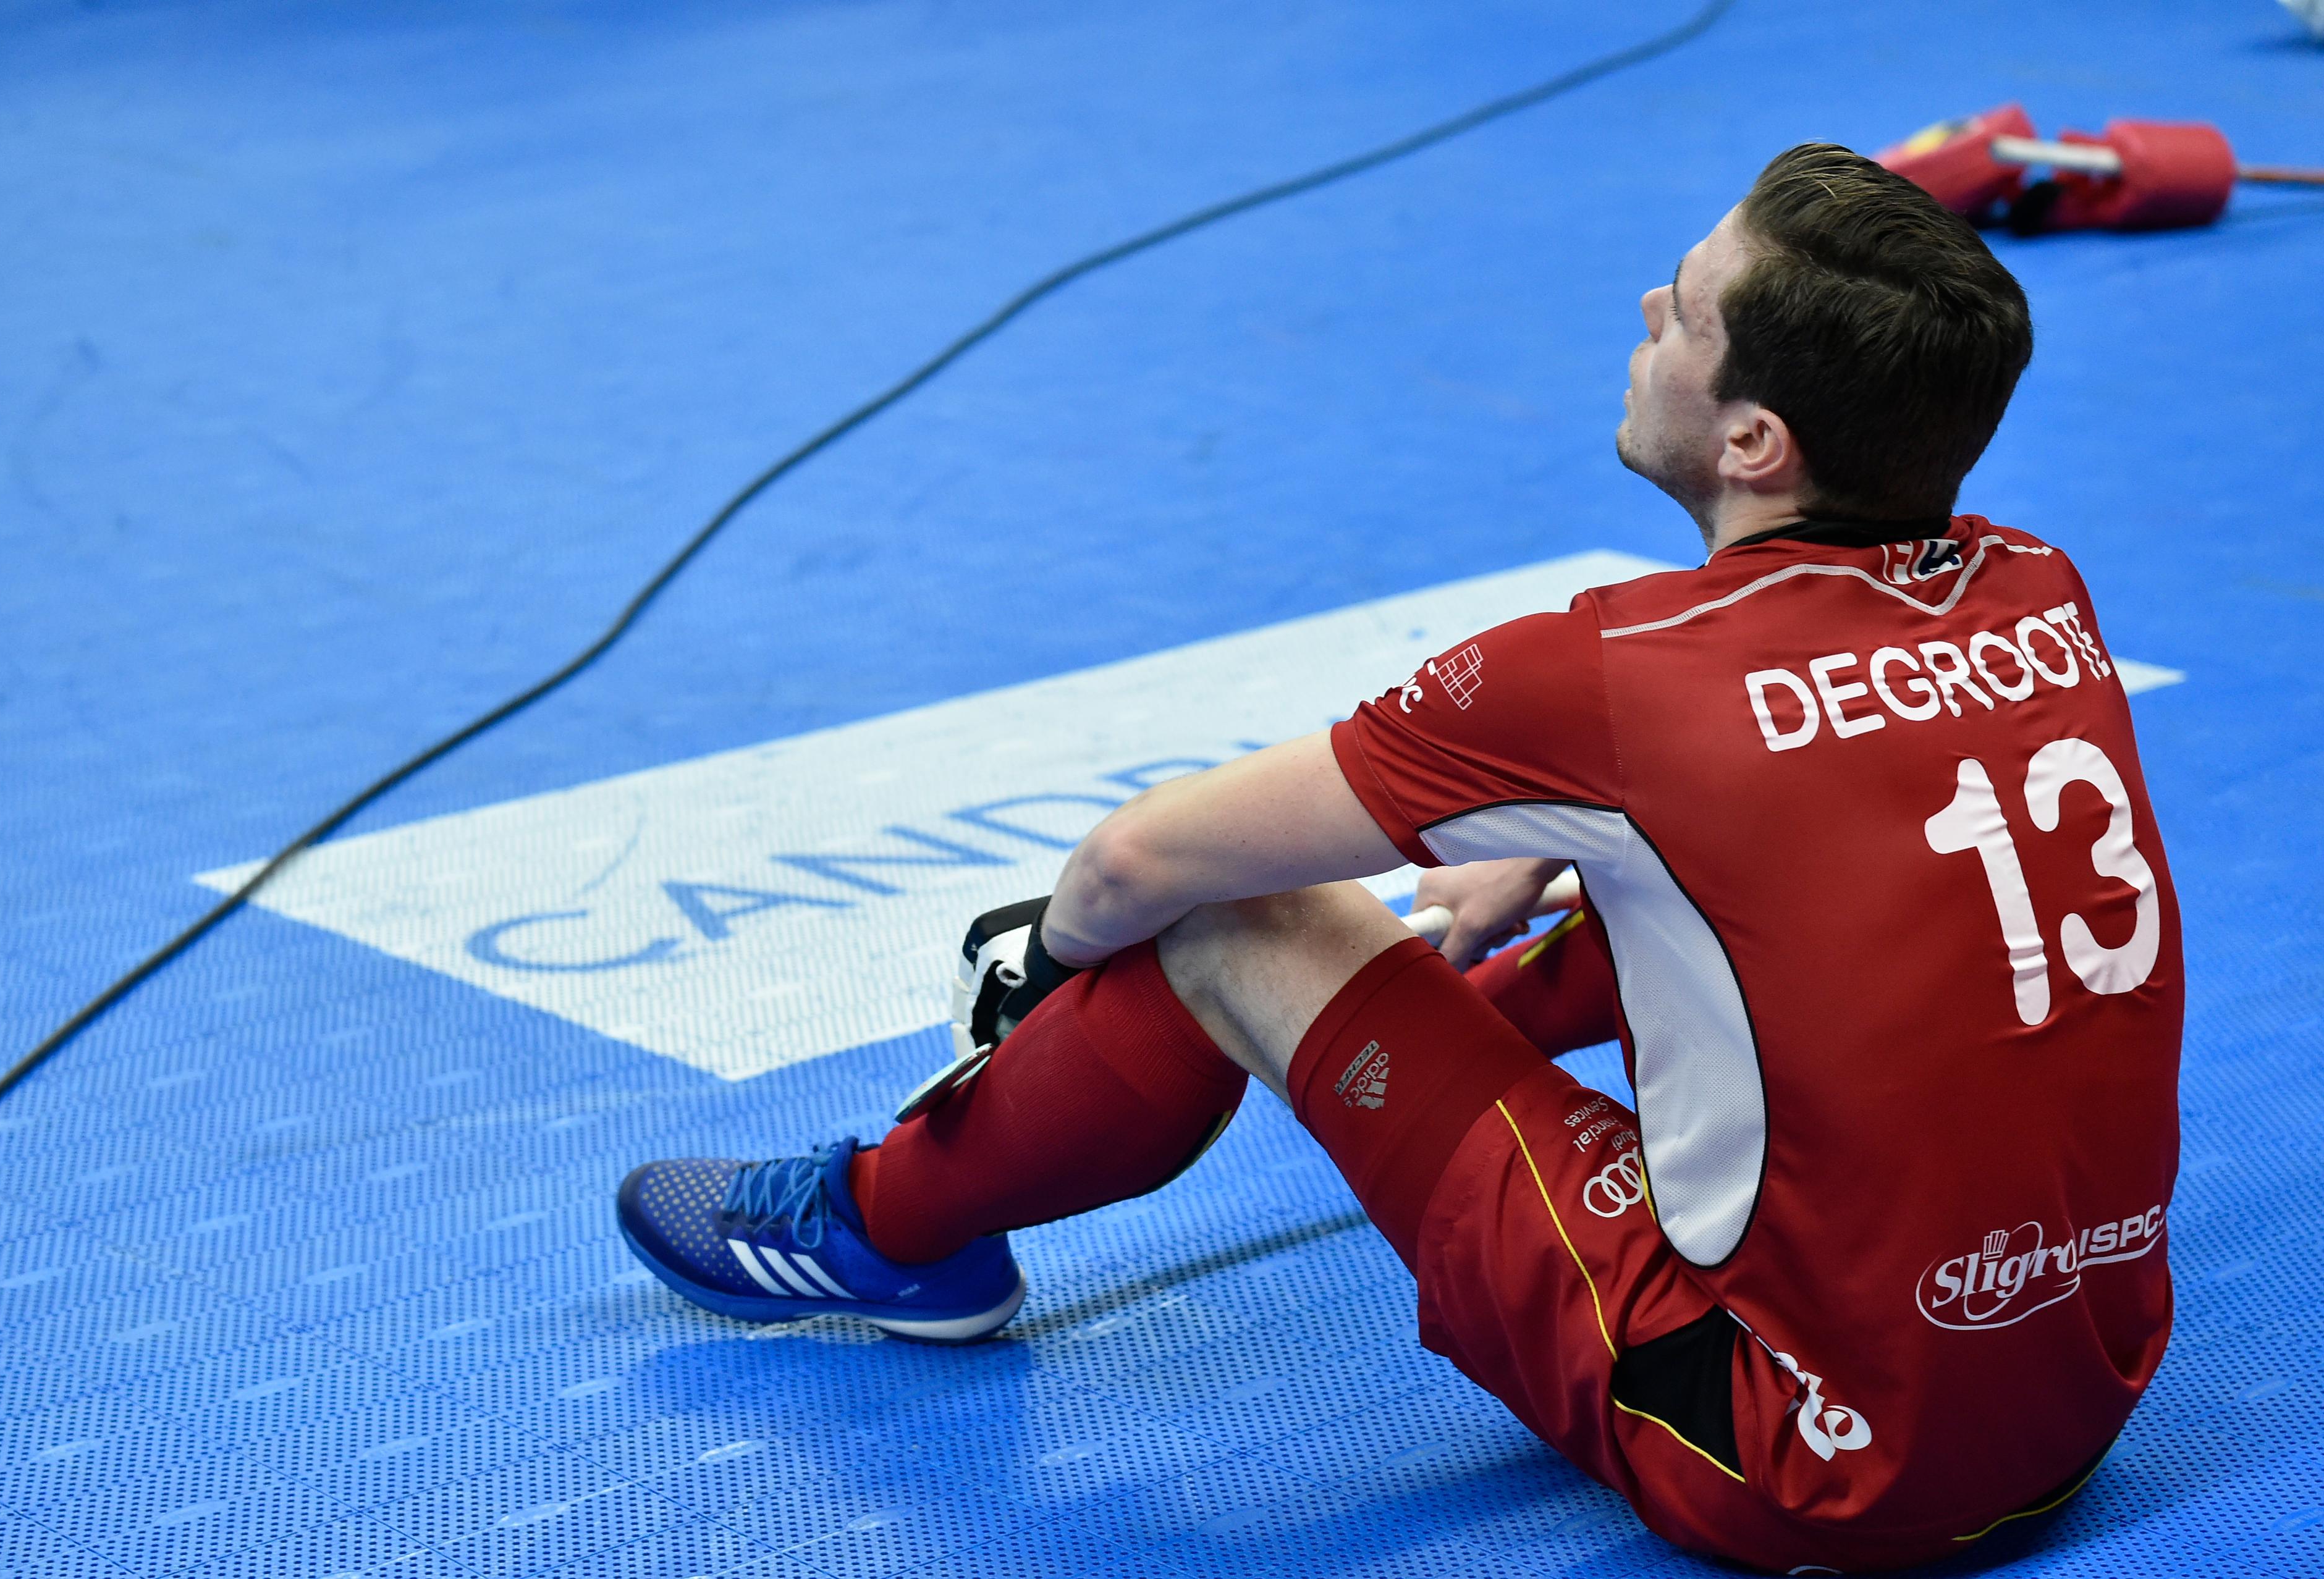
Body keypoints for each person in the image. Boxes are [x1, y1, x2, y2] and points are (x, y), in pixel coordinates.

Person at [615, 143, 2181, 1572]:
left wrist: (1043, 967)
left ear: (1756, 438)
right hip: (2076, 1395)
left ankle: (884, 1228)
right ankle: (1335, 1057)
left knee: (1231, 929)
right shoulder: (2037, 584)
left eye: (1689, 309)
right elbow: (1829, 884)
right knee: (1574, 946)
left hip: (1804, 1463)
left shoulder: (1617, 683)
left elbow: (1136, 861)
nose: (1649, 306)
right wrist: (1554, 856)